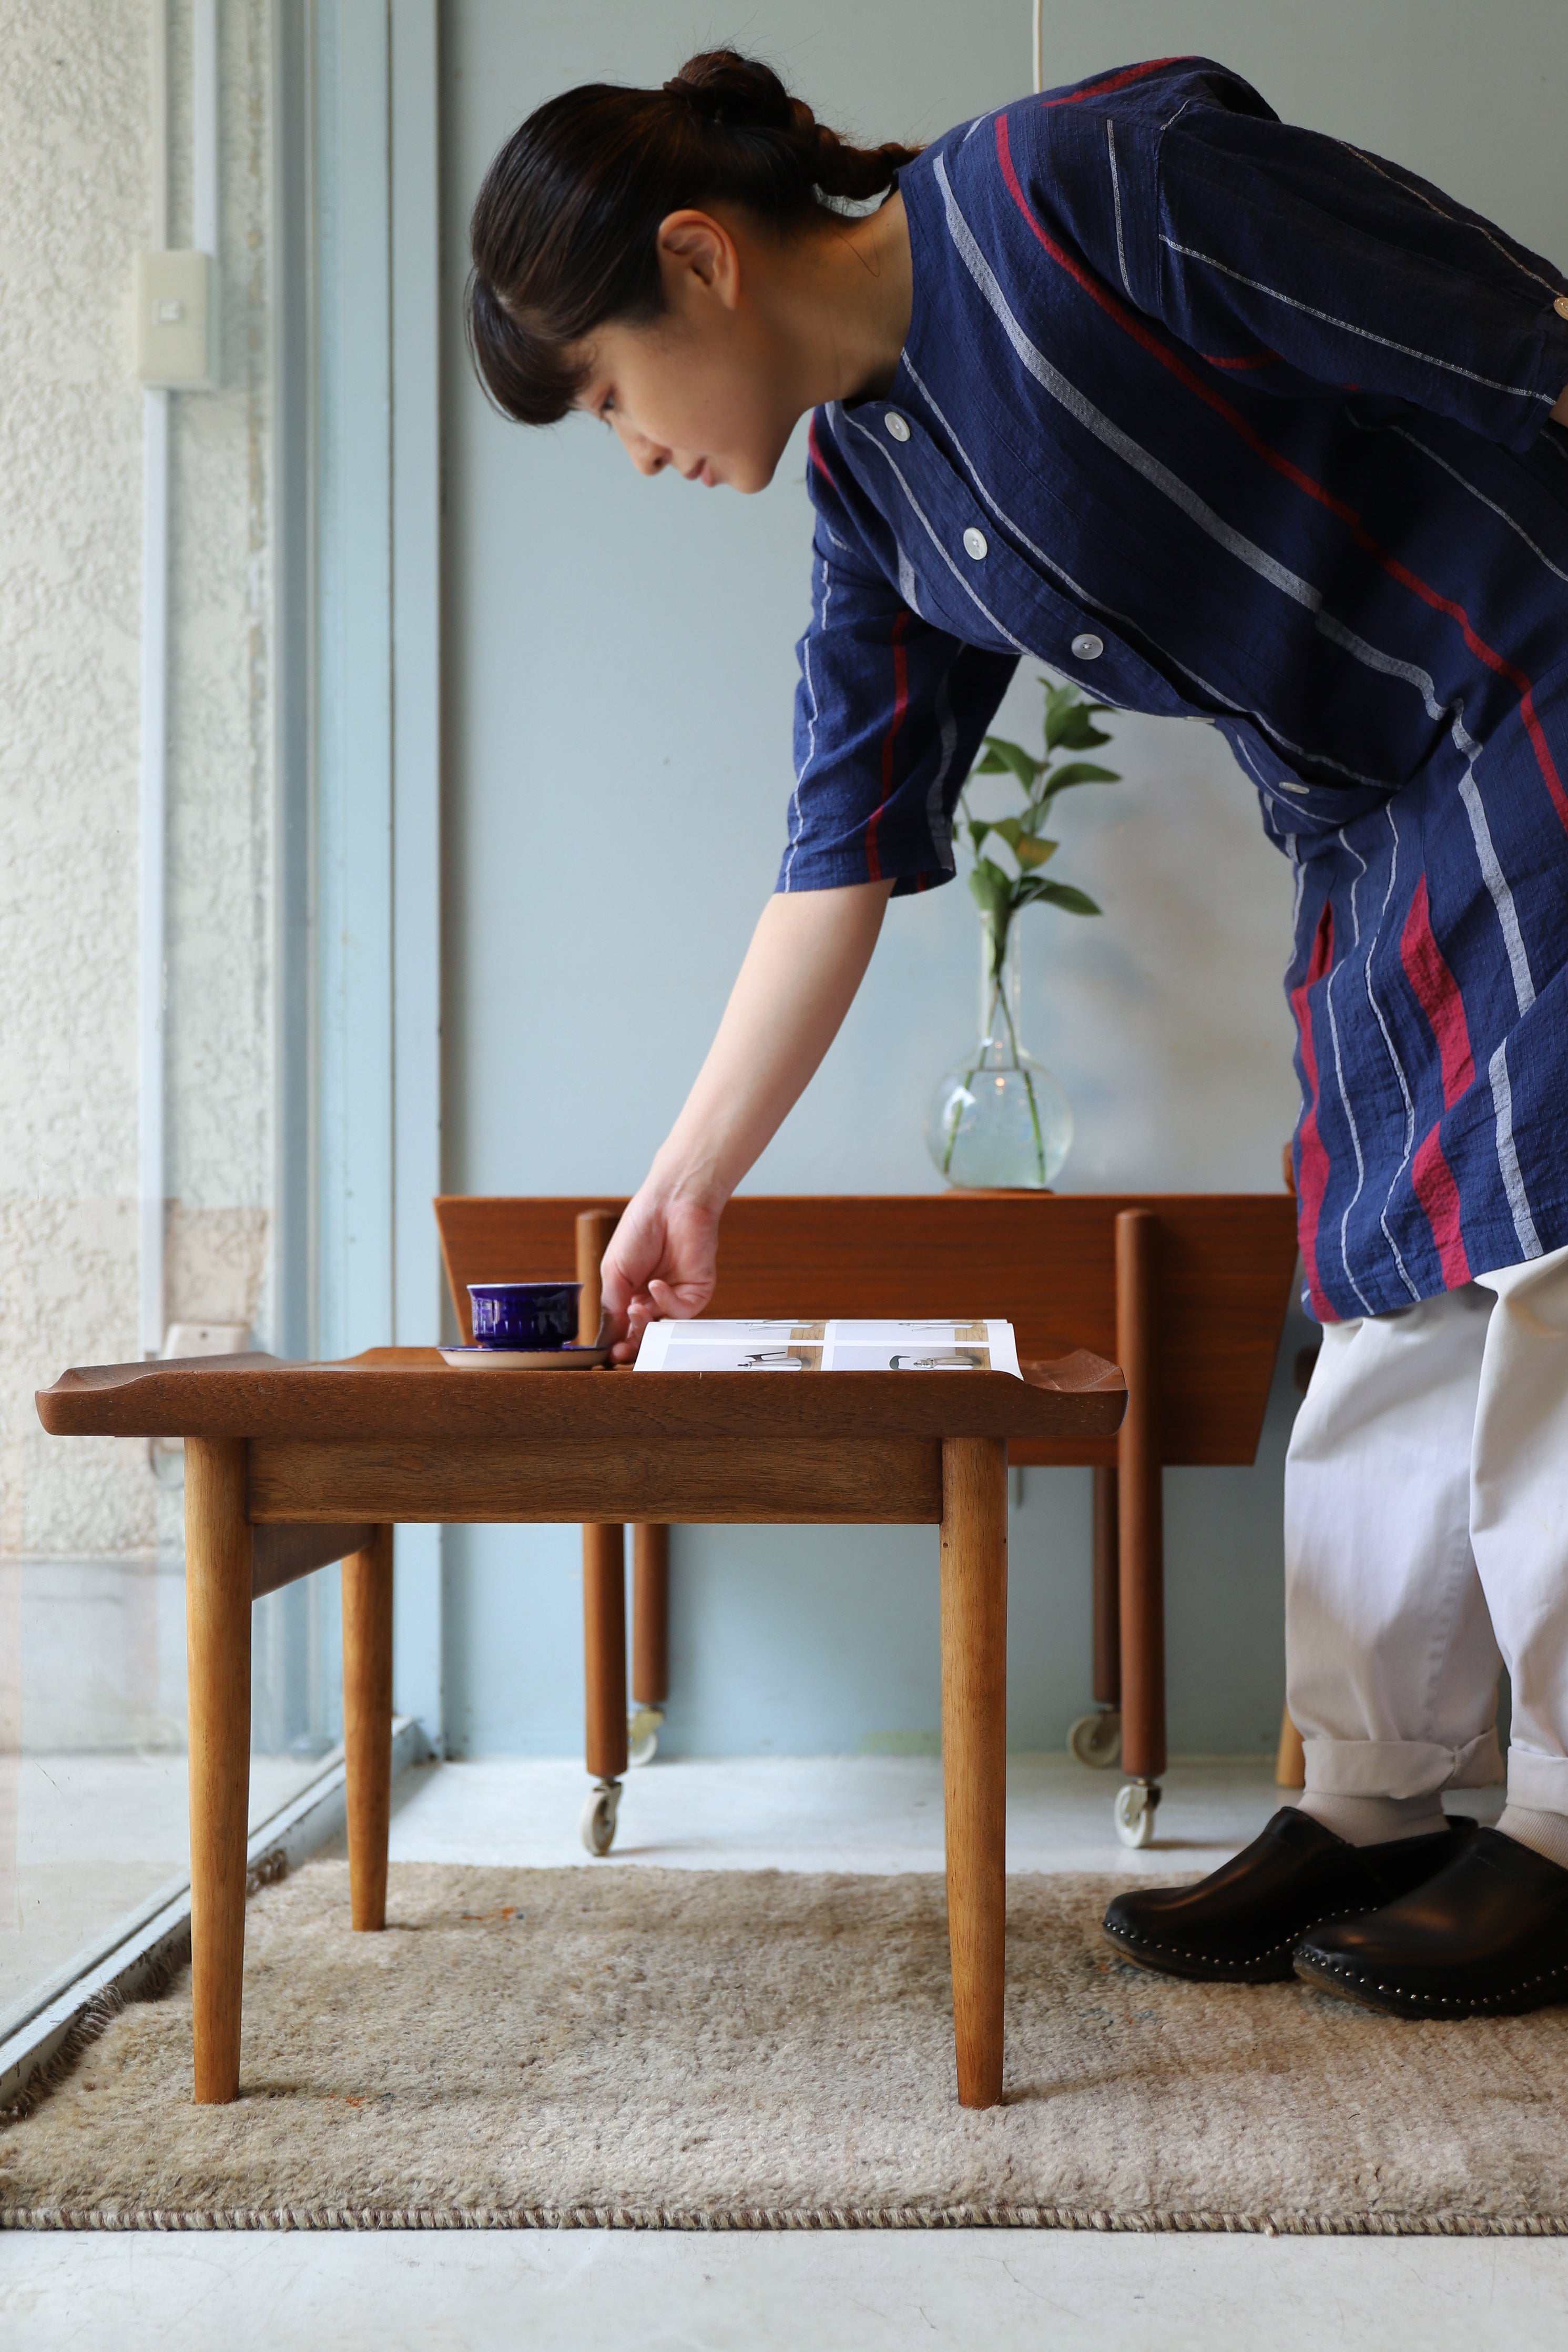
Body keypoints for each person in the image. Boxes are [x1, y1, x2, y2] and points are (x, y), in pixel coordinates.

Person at [466, 50, 1568, 2017]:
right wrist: (682, 1185)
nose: (631, 451)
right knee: (1390, 1283)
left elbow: (1506, 330)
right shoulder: (872, 486)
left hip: (1547, 671)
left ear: (701, 260)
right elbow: (839, 858)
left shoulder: (1085, 186)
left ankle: (1567, 1822)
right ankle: (1385, 1793)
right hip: (1370, 810)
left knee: (1560, 1249)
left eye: (609, 395)